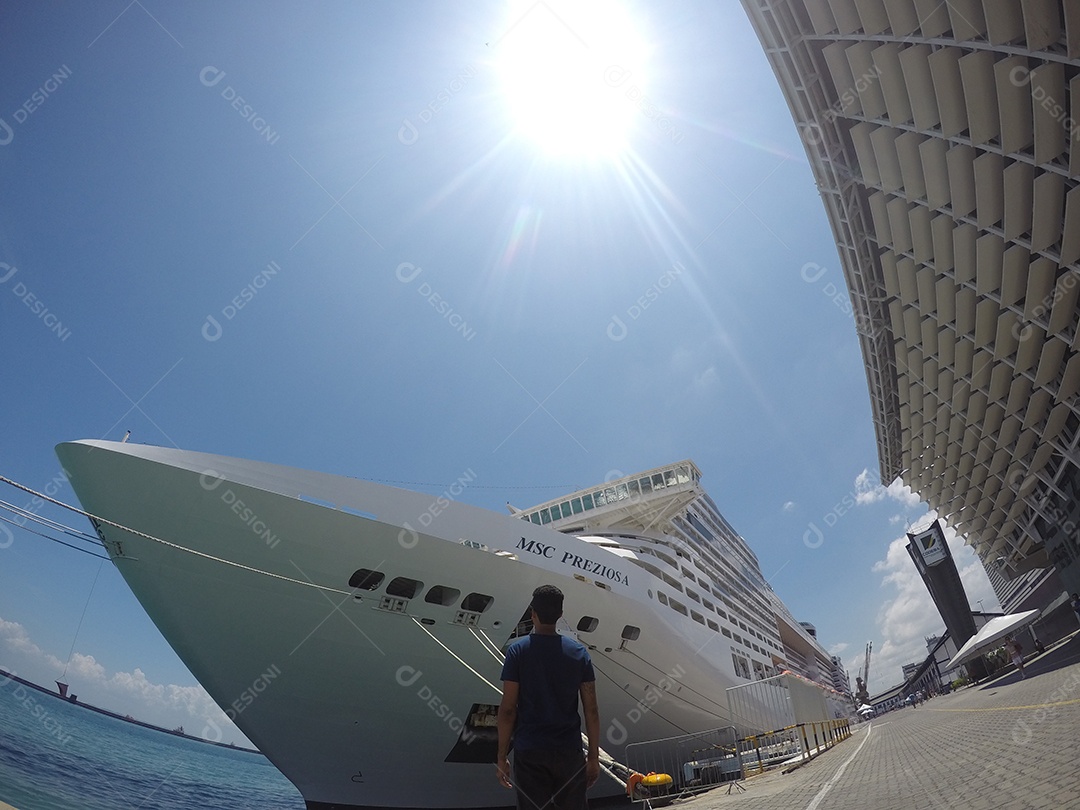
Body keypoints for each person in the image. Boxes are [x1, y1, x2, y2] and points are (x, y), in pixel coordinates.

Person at [497, 585, 600, 810]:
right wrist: (593, 757)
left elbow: (508, 710)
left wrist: (502, 756)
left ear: (532, 613)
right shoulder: (579, 653)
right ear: (560, 614)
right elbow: (591, 710)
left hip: (530, 751)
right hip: (569, 751)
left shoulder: (517, 652)